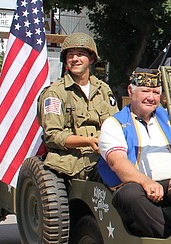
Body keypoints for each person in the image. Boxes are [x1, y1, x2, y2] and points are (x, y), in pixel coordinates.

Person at [97, 70, 171, 238]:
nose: (151, 97)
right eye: (145, 91)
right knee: (129, 195)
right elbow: (117, 163)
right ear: (130, 91)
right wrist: (146, 182)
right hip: (140, 187)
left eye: (156, 92)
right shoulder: (115, 124)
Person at [37, 32, 118, 180]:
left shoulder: (103, 90)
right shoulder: (55, 93)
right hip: (70, 161)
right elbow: (52, 135)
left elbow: (116, 125)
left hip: (103, 154)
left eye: (80, 54)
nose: (75, 59)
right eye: (70, 55)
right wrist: (88, 141)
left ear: (91, 58)